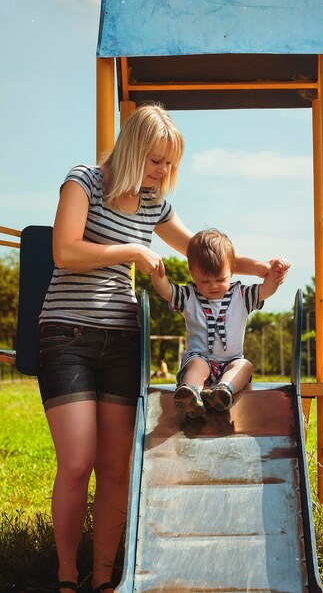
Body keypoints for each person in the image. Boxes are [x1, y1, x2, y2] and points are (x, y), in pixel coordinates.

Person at [36, 103, 286, 593]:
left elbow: (204, 251)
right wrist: (133, 250)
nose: (162, 173)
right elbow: (64, 250)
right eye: (155, 161)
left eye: (170, 165)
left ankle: (104, 580)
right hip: (66, 333)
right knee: (78, 460)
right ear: (131, 148)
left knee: (115, 465)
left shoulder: (154, 203)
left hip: (122, 339)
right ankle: (66, 575)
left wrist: (260, 271)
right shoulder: (83, 181)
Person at [151, 229, 290, 418]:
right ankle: (190, 393)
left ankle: (224, 391)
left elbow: (265, 290)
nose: (213, 286)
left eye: (220, 279)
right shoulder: (189, 295)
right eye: (205, 280)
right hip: (200, 357)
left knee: (245, 365)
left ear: (232, 270)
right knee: (198, 365)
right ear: (192, 273)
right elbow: (167, 291)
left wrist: (274, 276)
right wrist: (157, 276)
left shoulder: (241, 295)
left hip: (231, 361)